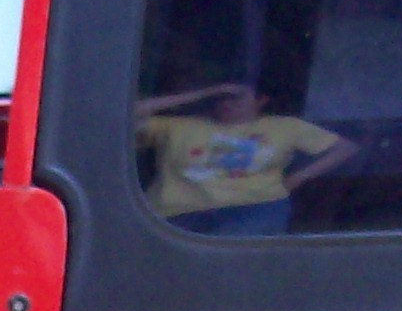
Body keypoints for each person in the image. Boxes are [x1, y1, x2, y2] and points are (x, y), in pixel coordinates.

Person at [133, 80, 356, 235]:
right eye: (222, 98)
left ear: (261, 100)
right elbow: (127, 113)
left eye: (236, 97)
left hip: (251, 209)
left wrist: (298, 178)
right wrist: (205, 92)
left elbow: (346, 148)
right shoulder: (177, 126)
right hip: (175, 215)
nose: (227, 103)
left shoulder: (285, 126)